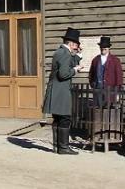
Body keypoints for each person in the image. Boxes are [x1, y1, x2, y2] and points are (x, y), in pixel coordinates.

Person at [42, 27, 84, 155]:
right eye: (76, 45)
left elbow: (68, 62)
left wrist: (78, 56)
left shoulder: (60, 52)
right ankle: (63, 147)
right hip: (61, 90)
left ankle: (56, 146)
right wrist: (76, 70)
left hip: (55, 89)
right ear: (71, 43)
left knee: (57, 118)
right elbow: (64, 73)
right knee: (65, 118)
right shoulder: (65, 54)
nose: (76, 48)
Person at [88, 36, 124, 108]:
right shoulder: (95, 60)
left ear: (109, 48)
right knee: (98, 109)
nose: (103, 49)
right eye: (102, 47)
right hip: (98, 89)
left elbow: (119, 76)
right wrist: (93, 84)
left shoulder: (115, 60)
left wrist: (117, 93)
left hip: (110, 90)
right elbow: (91, 74)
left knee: (109, 110)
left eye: (105, 48)